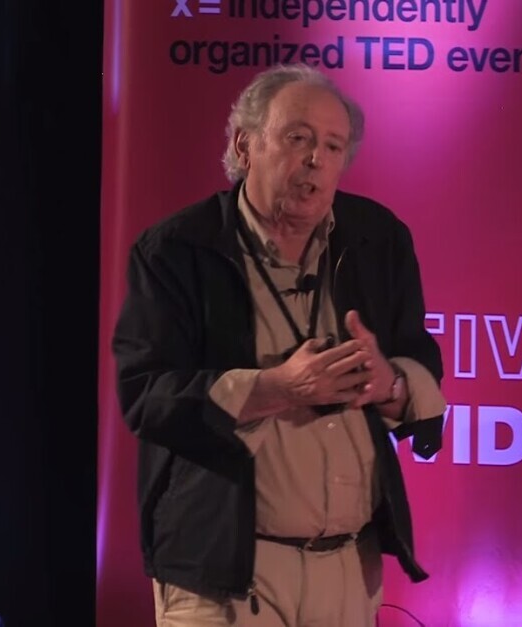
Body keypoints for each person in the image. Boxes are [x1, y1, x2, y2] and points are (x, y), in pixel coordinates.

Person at [112, 63, 446, 627]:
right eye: (297, 138)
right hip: (225, 575)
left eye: (333, 145)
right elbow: (147, 396)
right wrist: (277, 389)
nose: (316, 159)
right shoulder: (177, 250)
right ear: (244, 146)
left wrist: (388, 383)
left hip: (349, 567)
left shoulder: (378, 239)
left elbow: (421, 359)